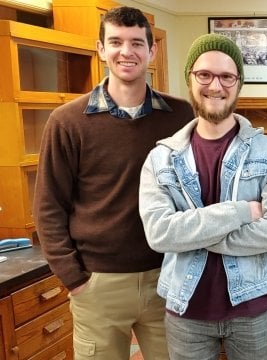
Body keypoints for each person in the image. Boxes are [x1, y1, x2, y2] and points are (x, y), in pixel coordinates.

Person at [32, 6, 193, 360]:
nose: (126, 51)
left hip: (166, 278)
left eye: (137, 42)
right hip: (98, 282)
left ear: (152, 52)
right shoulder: (67, 121)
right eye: (116, 42)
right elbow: (48, 206)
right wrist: (75, 279)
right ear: (101, 49)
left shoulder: (181, 116)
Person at [138, 34, 267, 360]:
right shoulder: (161, 159)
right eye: (205, 75)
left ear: (238, 84)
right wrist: (240, 212)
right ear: (190, 79)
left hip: (253, 306)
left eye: (227, 76)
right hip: (186, 310)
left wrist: (192, 234)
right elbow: (159, 233)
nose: (215, 86)